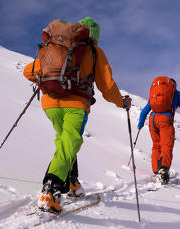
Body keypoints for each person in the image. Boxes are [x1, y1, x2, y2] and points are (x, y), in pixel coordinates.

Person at [24, 17, 131, 212]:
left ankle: (73, 183)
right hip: (76, 104)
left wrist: (50, 77)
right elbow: (106, 86)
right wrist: (121, 102)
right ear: (95, 37)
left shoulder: (57, 46)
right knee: (69, 143)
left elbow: (28, 71)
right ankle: (52, 187)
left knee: (64, 141)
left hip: (50, 104)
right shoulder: (94, 52)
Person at [137, 76, 180, 184]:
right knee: (166, 145)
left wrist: (140, 124)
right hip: (165, 119)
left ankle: (157, 170)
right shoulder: (178, 94)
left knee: (156, 145)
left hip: (152, 120)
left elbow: (145, 110)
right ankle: (164, 169)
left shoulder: (157, 94)